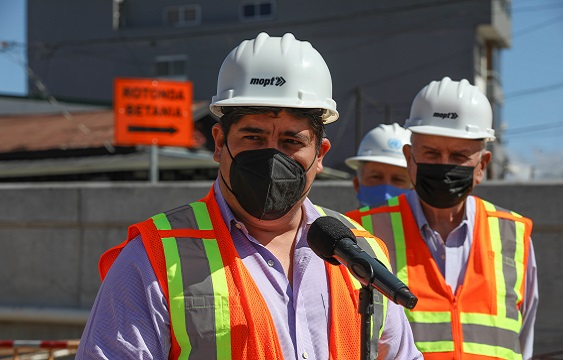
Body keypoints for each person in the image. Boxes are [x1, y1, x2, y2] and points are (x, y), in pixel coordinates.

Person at [76, 32, 422, 360]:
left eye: (291, 142)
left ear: (320, 155)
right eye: (253, 138)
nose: (272, 158)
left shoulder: (361, 254)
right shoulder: (152, 259)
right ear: (219, 142)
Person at [346, 77, 538, 359]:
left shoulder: (513, 236)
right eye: (432, 153)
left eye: (459, 155)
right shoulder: (361, 232)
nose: (444, 166)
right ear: (410, 158)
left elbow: (524, 342)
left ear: (482, 165)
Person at [345, 123, 412, 207]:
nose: (386, 191)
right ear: (357, 184)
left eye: (398, 179)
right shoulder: (341, 220)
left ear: (413, 188)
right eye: (376, 177)